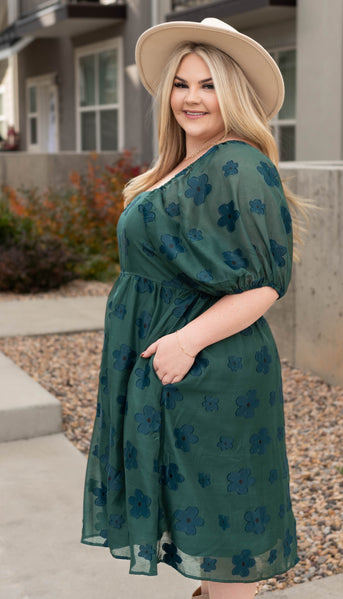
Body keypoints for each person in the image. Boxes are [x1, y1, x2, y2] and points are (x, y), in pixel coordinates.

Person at [81, 17, 307, 599]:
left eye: (208, 85)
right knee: (196, 537)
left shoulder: (240, 163)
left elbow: (267, 283)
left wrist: (185, 342)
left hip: (209, 373)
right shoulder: (177, 166)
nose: (191, 98)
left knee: (223, 541)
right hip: (169, 370)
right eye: (182, 84)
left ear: (232, 93)